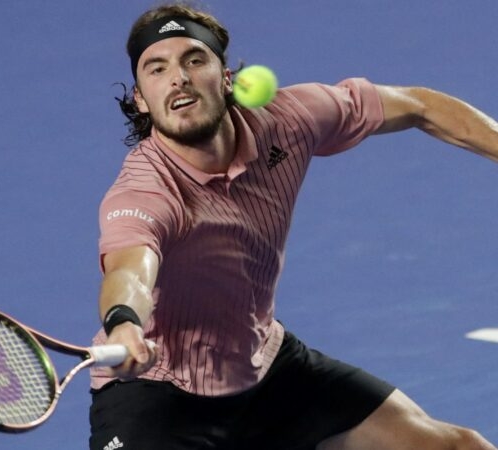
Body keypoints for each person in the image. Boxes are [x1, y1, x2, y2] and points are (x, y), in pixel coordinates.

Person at [88, 2, 498, 449]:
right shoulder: (144, 192)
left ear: (226, 79)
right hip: (159, 398)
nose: (178, 77)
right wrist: (125, 324)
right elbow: (130, 271)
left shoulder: (288, 121)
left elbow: (420, 106)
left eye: (194, 59)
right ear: (141, 100)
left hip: (264, 370)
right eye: (157, 68)